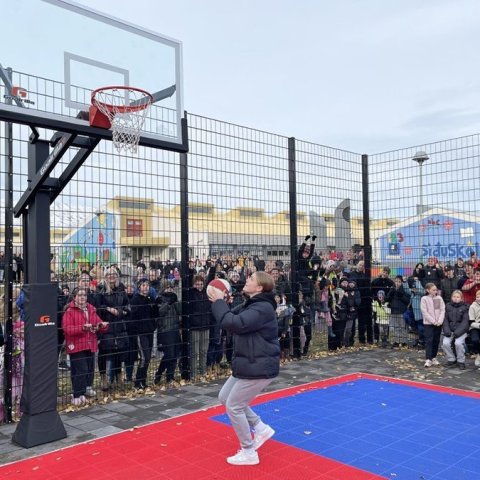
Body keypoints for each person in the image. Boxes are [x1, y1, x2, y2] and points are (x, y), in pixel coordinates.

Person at [208, 271, 280, 466]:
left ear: (259, 288)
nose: (246, 280)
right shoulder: (253, 304)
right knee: (225, 397)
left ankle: (249, 451)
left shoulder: (262, 308)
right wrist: (223, 301)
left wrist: (218, 302)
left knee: (234, 406)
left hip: (259, 365)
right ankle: (260, 427)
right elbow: (231, 315)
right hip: (250, 362)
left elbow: (234, 323)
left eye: (250, 279)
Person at [62, 287, 108, 405]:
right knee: (81, 370)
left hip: (90, 343)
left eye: (84, 295)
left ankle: (81, 393)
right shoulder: (69, 311)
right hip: (76, 345)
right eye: (80, 295)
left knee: (88, 370)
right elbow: (67, 329)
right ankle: (77, 394)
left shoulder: (91, 309)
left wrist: (101, 325)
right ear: (74, 297)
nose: (83, 297)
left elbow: (97, 321)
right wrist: (82, 328)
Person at [130, 278, 157, 389]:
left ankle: (143, 380)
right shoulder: (135, 299)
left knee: (149, 357)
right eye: (143, 285)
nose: (146, 287)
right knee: (144, 357)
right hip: (140, 332)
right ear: (139, 287)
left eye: (147, 285)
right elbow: (134, 315)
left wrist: (155, 305)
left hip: (149, 330)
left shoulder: (150, 298)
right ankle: (137, 381)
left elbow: (155, 314)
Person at [441, 290, 469, 369]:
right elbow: (445, 320)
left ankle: (461, 361)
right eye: (454, 296)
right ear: (451, 297)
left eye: (458, 297)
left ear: (461, 298)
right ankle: (451, 359)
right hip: (449, 330)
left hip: (461, 331)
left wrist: (457, 333)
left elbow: (465, 322)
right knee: (445, 343)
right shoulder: (448, 306)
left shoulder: (465, 307)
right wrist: (447, 331)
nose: (456, 298)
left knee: (458, 343)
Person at [420, 283, 445, 368]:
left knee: (436, 340)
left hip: (438, 323)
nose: (435, 291)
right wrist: (433, 321)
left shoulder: (439, 298)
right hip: (428, 324)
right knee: (429, 341)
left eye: (436, 289)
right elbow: (425, 312)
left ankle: (434, 357)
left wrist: (440, 321)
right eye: (433, 290)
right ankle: (428, 359)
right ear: (428, 290)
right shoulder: (424, 299)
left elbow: (442, 310)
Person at [468, 290, 480, 369]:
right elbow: (471, 322)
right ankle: (478, 354)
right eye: (477, 297)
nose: (478, 298)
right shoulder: (472, 306)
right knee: (475, 340)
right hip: (475, 327)